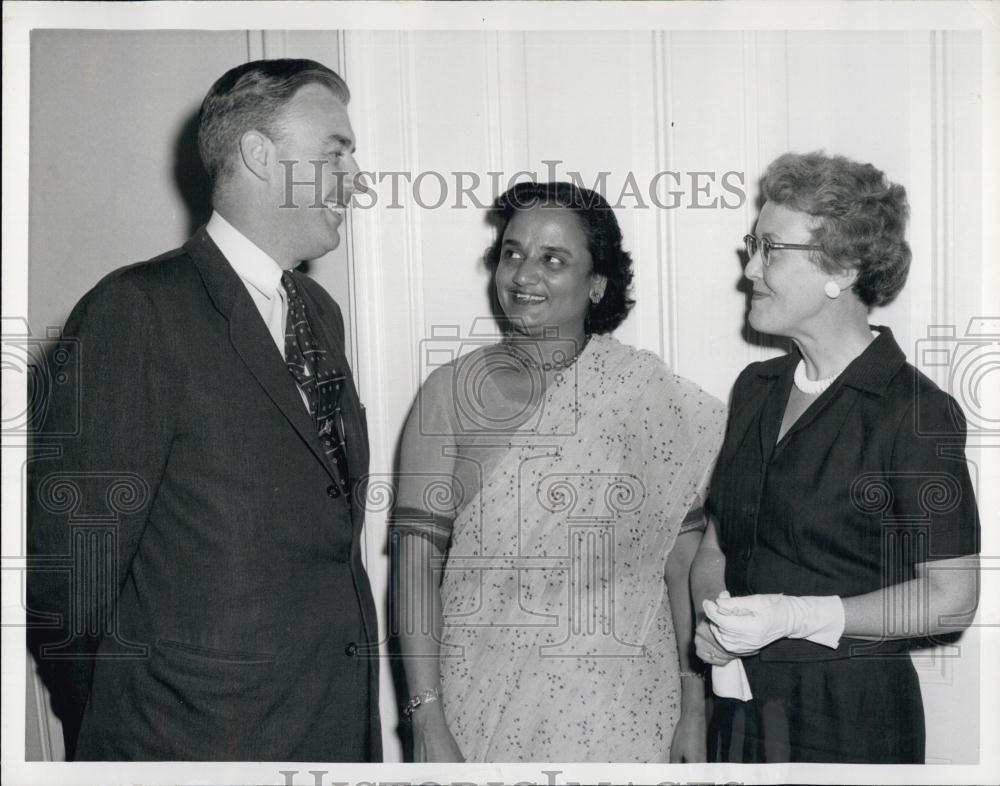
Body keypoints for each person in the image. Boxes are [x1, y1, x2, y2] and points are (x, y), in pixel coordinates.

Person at [27, 59, 381, 761]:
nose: (357, 178)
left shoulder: (319, 313)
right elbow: (72, 574)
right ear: (257, 153)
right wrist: (124, 729)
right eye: (336, 153)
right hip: (192, 745)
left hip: (331, 730)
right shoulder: (136, 311)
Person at [392, 181, 725, 762]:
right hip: (482, 707)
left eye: (553, 259)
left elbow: (681, 562)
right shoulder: (450, 393)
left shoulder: (642, 393)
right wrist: (425, 718)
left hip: (624, 709)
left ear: (597, 284)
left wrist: (695, 709)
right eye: (512, 253)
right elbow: (415, 563)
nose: (523, 276)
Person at [692, 151, 981, 763]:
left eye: (771, 248)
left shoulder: (912, 411)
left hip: (851, 717)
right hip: (740, 708)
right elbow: (717, 545)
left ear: (843, 268)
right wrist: (717, 623)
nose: (750, 268)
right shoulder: (756, 389)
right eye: (754, 245)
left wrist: (797, 615)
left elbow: (952, 596)